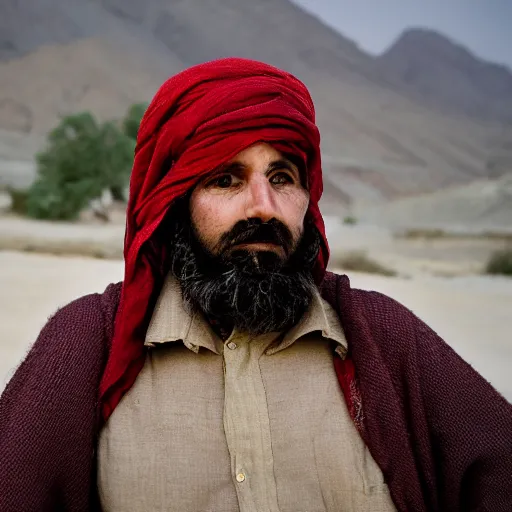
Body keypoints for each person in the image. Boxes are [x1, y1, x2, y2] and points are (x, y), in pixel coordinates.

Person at [0, 57, 511, 512]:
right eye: (226, 179)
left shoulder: (381, 335)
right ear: (174, 202)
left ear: (307, 198)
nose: (262, 207)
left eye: (283, 177)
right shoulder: (88, 343)